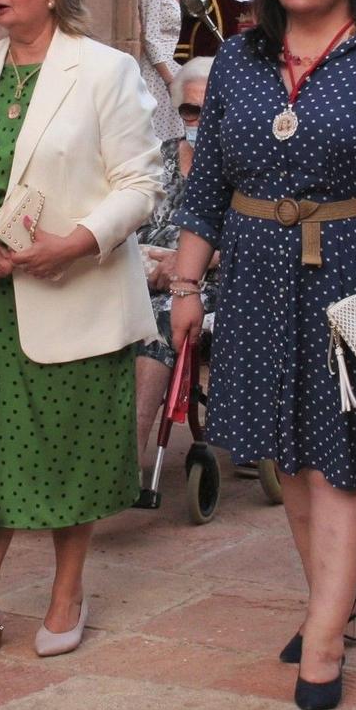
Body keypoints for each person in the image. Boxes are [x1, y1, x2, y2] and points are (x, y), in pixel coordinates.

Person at [168, 0, 356, 710]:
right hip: (254, 272)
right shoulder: (244, 58)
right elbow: (207, 174)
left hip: (355, 269)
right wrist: (184, 284)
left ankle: (323, 633)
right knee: (286, 448)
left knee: (343, 451)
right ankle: (336, 599)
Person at [0, 0, 163, 663]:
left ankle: (67, 592)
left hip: (74, 293)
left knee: (70, 453)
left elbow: (141, 184)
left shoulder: (104, 71)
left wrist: (77, 242)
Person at [133, 55, 215, 460]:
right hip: (140, 272)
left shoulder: (239, 168)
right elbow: (129, 218)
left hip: (206, 282)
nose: (199, 118)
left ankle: (129, 456)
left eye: (210, 108)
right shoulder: (155, 158)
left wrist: (186, 266)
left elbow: (247, 238)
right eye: (189, 109)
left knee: (160, 317)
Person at [137, 0, 191, 143]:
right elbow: (150, 37)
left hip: (179, 69)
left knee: (181, 134)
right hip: (160, 73)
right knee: (160, 135)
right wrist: (169, 79)